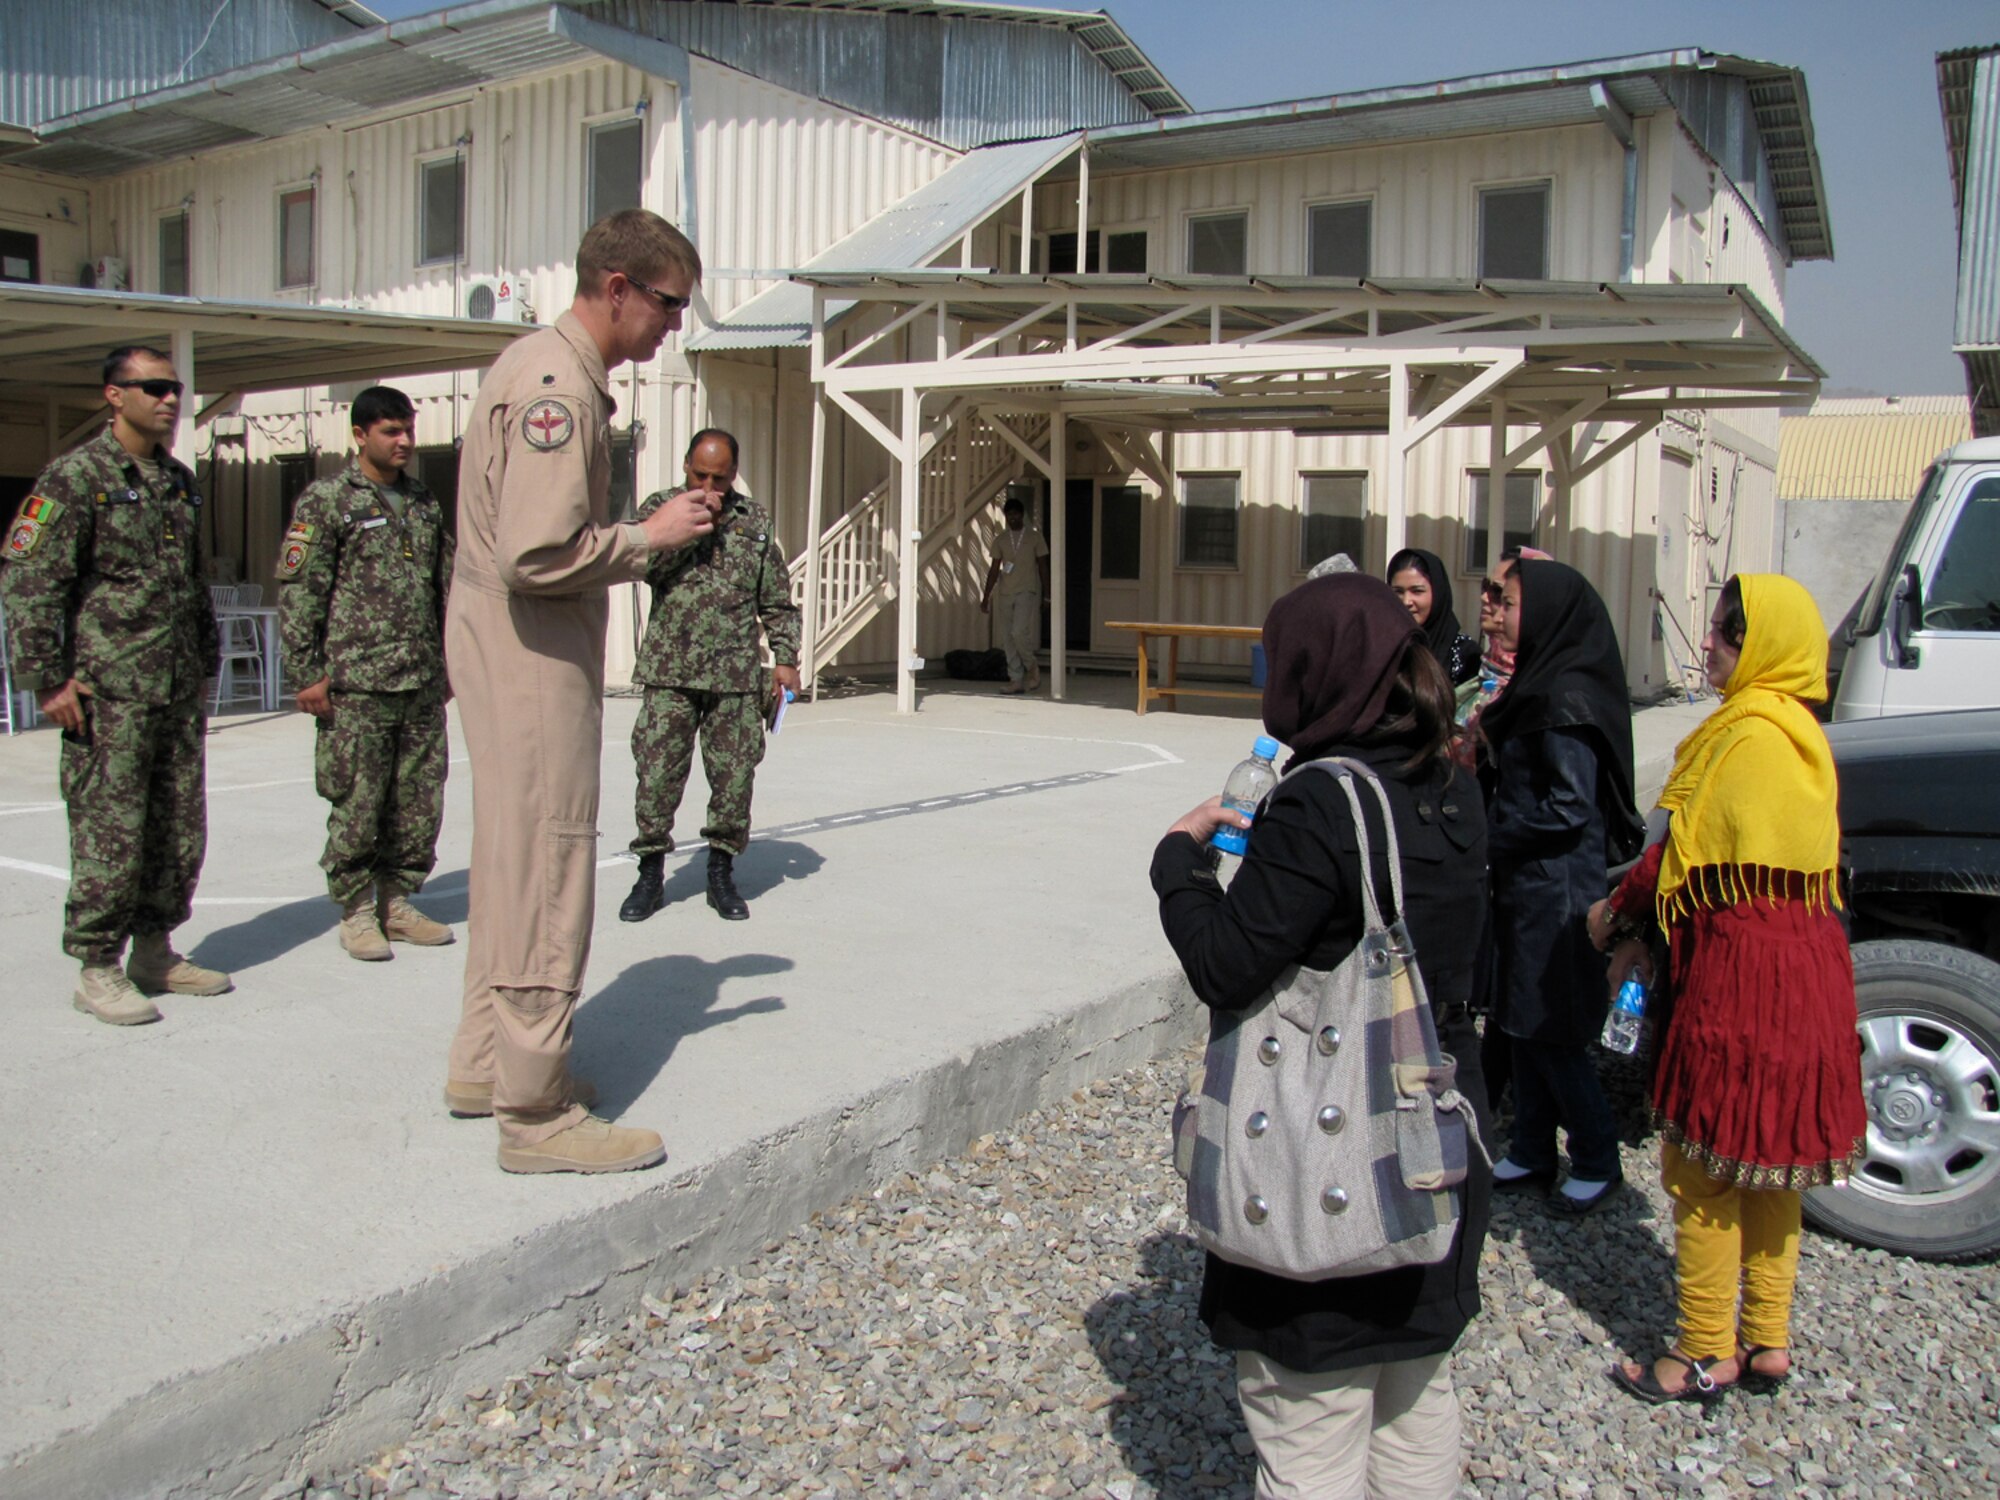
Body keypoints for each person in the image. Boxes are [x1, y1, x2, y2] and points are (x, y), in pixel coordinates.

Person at [1151, 573, 1492, 1500]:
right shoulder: (1453, 788)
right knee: (1415, 1402)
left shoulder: (1324, 803)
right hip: (1435, 1146)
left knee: (1310, 1430)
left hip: (1331, 1168)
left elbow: (1228, 963)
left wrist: (1178, 862)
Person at [442, 209, 717, 1174]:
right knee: (546, 865)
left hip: (509, 645)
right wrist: (651, 538)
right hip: (529, 651)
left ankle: (488, 1063)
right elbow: (536, 552)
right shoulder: (560, 385)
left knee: (511, 857)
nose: (674, 326)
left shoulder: (536, 365)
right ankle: (535, 1111)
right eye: (669, 304)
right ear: (617, 289)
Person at [1591, 575, 1865, 1403]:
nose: (1706, 645)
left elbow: (1676, 859)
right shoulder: (1805, 739)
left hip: (1742, 978)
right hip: (1812, 972)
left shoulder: (1740, 736)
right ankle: (1769, 1340)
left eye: (1722, 634)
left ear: (1759, 647)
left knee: (1703, 1167)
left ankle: (1704, 1350)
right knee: (1774, 1160)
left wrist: (1611, 916)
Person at [1, 345, 229, 1024]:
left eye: (175, 387)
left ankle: (154, 950)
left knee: (177, 829)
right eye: (154, 387)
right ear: (114, 395)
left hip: (175, 687)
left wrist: (205, 662)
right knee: (111, 831)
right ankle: (97, 964)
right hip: (110, 691)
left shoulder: (179, 481)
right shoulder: (73, 478)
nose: (169, 399)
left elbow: (190, 584)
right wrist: (46, 679)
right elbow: (28, 579)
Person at [1479, 559, 1641, 1216]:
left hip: (1558, 888)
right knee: (1520, 1022)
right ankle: (1532, 1146)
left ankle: (1598, 1156)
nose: (1496, 610)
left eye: (1509, 601)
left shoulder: (1565, 699)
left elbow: (1569, 808)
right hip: (1528, 882)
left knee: (1551, 1029)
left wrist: (1490, 838)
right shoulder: (1538, 684)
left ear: (1543, 612)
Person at [278, 385, 456, 961]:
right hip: (357, 683)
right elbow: (301, 589)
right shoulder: (328, 501)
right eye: (390, 431)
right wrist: (307, 672)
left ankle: (397, 900)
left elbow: (444, 587)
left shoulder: (424, 502)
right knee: (358, 800)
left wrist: (451, 664)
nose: (404, 440)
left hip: (419, 679)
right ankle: (356, 909)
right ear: (359, 435)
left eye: (408, 428)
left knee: (419, 800)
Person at [618, 428, 801, 925]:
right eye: (700, 475)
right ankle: (650, 873)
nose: (709, 486)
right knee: (656, 777)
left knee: (734, 780)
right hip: (670, 672)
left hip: (735, 677)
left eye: (719, 478)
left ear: (733, 474)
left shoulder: (753, 520)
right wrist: (682, 529)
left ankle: (721, 872)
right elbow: (638, 563)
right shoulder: (661, 509)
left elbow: (776, 598)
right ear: (684, 466)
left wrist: (786, 658)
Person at [978, 495, 1049, 694]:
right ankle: (1015, 679)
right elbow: (994, 569)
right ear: (1006, 517)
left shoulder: (1034, 537)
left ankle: (1032, 666)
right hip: (1005, 592)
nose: (1013, 518)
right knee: (1008, 637)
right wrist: (986, 597)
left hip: (1026, 590)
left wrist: (1047, 595)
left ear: (1023, 515)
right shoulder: (1000, 539)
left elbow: (1043, 566)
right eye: (1009, 515)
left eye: (1016, 514)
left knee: (1019, 632)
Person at [1386, 547, 1478, 686]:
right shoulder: (1383, 645)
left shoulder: (1465, 655)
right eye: (1398, 592)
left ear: (1438, 594)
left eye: (1417, 591)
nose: (1406, 601)